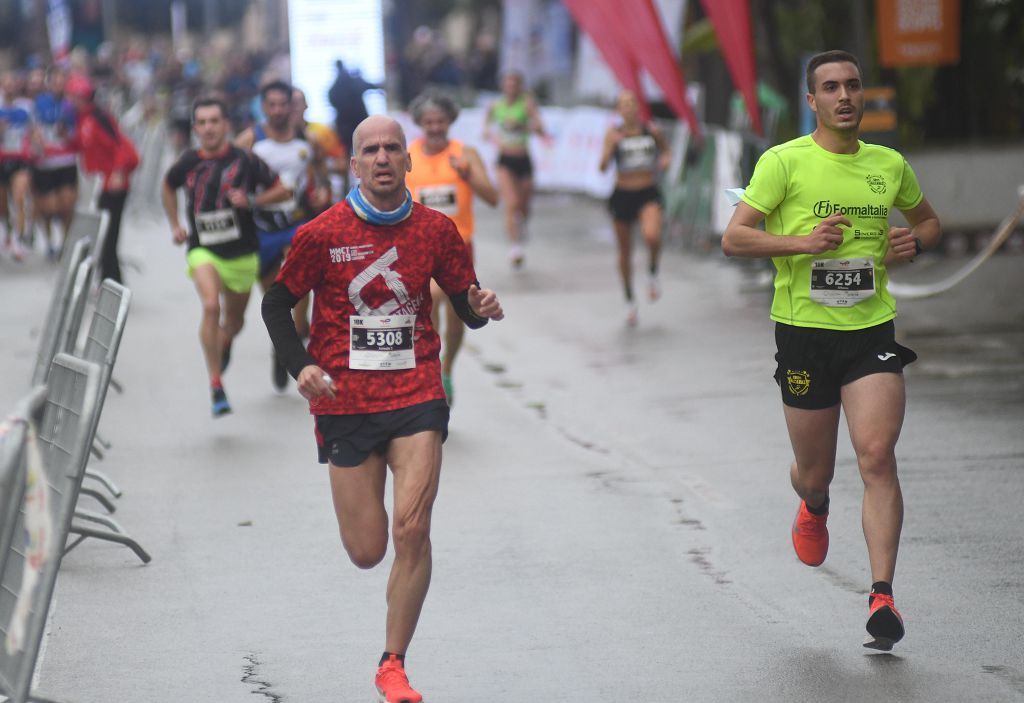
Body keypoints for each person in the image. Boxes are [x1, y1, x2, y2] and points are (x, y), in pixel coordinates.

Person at [261, 115, 503, 703]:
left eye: (393, 147)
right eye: (370, 150)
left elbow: (463, 302)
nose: (383, 158)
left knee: (412, 528)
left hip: (417, 392)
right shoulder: (322, 233)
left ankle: (393, 664)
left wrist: (479, 306)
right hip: (344, 403)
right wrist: (303, 367)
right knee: (368, 550)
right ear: (354, 164)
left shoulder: (437, 231)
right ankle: (389, 647)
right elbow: (275, 305)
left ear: (408, 159)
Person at [722, 50, 941, 651]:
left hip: (870, 333)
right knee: (816, 472)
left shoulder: (888, 165)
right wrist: (802, 242)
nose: (844, 95)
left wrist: (911, 243)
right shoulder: (784, 162)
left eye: (852, 85)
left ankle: (882, 594)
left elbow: (928, 223)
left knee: (877, 455)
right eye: (830, 88)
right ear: (811, 101)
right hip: (803, 335)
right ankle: (813, 506)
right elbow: (735, 237)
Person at [161, 96, 290, 417]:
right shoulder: (189, 161)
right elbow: (167, 185)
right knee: (209, 305)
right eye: (202, 123)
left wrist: (251, 200)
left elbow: (282, 189)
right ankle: (216, 384)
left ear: (226, 125)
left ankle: (227, 339)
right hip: (203, 249)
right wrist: (176, 224)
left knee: (233, 322)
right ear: (195, 128)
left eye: (214, 121)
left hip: (243, 255)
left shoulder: (245, 160)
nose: (208, 128)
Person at [235, 80, 331, 390]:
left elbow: (322, 171)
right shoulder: (251, 139)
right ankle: (281, 347)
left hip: (296, 223)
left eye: (283, 104)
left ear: (292, 107)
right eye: (271, 105)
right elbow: (227, 171)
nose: (277, 111)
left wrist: (324, 191)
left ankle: (296, 336)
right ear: (263, 107)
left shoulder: (308, 140)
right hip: (261, 227)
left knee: (299, 284)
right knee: (275, 295)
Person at [406, 89, 498, 403]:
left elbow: (493, 198)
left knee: (459, 315)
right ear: (419, 122)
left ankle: (447, 369)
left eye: (440, 121)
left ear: (450, 121)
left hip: (459, 247)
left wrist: (469, 175)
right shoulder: (408, 156)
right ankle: (432, 368)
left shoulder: (465, 154)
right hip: (419, 248)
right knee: (431, 298)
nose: (434, 127)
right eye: (428, 121)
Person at [598, 90, 671, 326]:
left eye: (632, 103)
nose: (628, 108)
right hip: (622, 194)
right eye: (623, 105)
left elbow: (667, 151)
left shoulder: (652, 131)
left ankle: (652, 273)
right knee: (625, 251)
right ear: (618, 111)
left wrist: (666, 160)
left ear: (638, 108)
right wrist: (611, 149)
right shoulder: (614, 134)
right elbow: (602, 167)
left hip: (647, 190)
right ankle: (629, 298)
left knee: (652, 235)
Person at [66, 73, 139, 283]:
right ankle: (105, 281)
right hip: (99, 186)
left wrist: (118, 172)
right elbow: (83, 146)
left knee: (109, 238)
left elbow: (121, 147)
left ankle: (113, 283)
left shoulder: (99, 118)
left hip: (113, 186)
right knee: (101, 238)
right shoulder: (83, 120)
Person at [484, 71, 546, 268]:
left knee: (524, 204)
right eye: (507, 84)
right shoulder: (496, 105)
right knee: (511, 203)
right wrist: (493, 137)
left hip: (523, 159)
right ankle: (515, 247)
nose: (510, 88)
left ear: (519, 86)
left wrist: (522, 125)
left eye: (514, 84)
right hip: (505, 160)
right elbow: (486, 129)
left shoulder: (527, 103)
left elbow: (541, 128)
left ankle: (523, 223)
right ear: (503, 86)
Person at [31, 66, 79, 260]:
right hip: (46, 163)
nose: (59, 86)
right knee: (49, 209)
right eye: (56, 82)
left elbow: (76, 130)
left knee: (67, 206)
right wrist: (37, 141)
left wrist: (66, 134)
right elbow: (33, 128)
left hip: (66, 161)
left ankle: (65, 243)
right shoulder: (40, 103)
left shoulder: (71, 104)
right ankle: (50, 240)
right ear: (50, 83)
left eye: (62, 82)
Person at [0, 70, 34, 260]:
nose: (10, 87)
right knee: (2, 205)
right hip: (1, 161)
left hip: (20, 161)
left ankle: (17, 241)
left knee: (20, 198)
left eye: (13, 83)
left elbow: (34, 130)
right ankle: (7, 228)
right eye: (6, 84)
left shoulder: (25, 108)